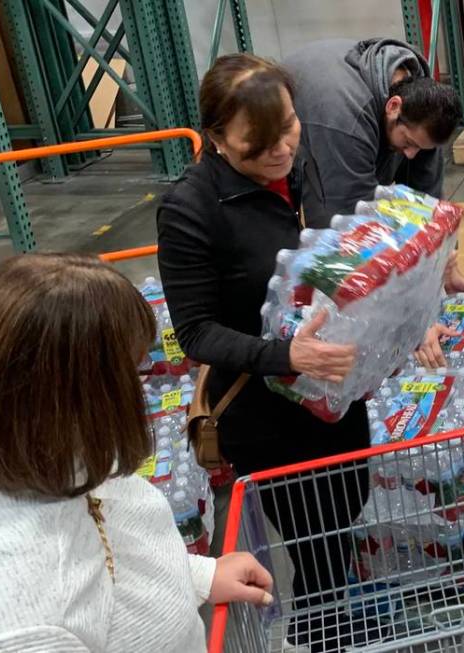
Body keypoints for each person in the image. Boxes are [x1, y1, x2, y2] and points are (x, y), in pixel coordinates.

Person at [156, 53, 390, 650]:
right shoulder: (191, 210)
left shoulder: (298, 165)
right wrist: (287, 357)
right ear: (215, 137)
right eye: (256, 143)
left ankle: (331, 610)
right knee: (312, 538)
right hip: (266, 415)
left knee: (344, 511)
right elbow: (197, 333)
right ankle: (321, 635)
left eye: (288, 126)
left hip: (332, 395)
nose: (280, 149)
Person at [0, 254, 273, 653]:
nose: (141, 390)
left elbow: (111, 542)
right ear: (75, 394)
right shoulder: (15, 622)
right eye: (132, 371)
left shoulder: (52, 449)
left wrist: (196, 574)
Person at [284, 37, 464, 294]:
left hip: (346, 108)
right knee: (335, 239)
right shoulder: (346, 123)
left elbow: (428, 197)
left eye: (420, 147)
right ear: (393, 107)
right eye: (409, 142)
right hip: (316, 113)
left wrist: (448, 266)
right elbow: (349, 216)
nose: (411, 155)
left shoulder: (424, 108)